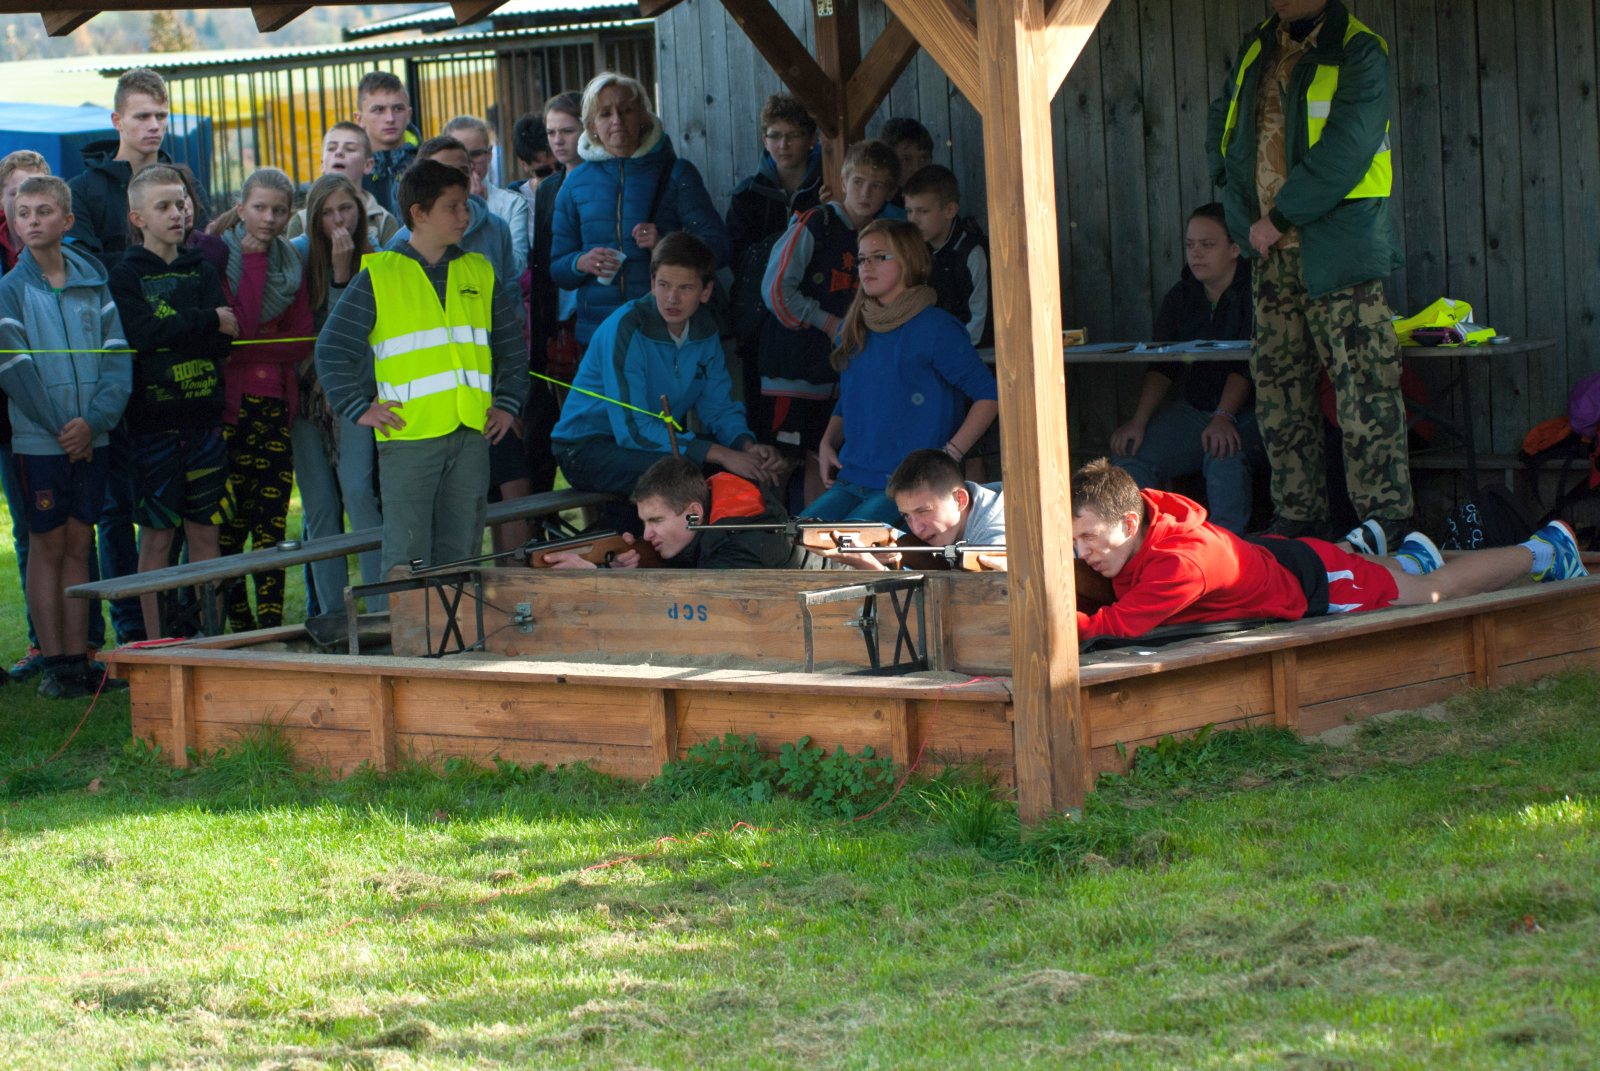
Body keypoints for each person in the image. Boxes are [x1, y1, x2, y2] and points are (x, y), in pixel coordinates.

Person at [1206, 0, 1409, 547]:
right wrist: (1231, 194)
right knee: (1278, 390)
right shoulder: (1259, 44)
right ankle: (1298, 519)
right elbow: (1223, 122)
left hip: (1338, 250)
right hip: (1269, 253)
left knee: (1363, 386)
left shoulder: (1358, 48)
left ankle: (1384, 524)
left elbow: (1348, 147)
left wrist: (1279, 218)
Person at [1070, 458, 1589, 641]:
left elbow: (1113, 628)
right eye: (1073, 540)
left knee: (1434, 592)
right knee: (1401, 576)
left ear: (1131, 522)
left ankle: (1545, 551)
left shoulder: (1181, 563)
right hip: (1282, 560)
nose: (1081, 551)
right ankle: (1407, 560)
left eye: (1088, 537)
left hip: (1315, 583)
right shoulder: (1147, 515)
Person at [315, 158, 529, 579]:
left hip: (471, 434)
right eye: (453, 206)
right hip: (408, 438)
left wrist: (507, 403)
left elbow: (512, 348)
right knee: (407, 555)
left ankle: (457, 623)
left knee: (461, 551)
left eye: (466, 205)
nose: (465, 215)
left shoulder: (479, 270)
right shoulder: (379, 275)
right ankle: (410, 624)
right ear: (419, 213)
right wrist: (358, 408)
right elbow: (331, 348)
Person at [0, 175, 132, 698]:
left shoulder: (94, 283)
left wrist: (93, 423)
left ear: (68, 220)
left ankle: (81, 661)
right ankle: (55, 664)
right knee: (47, 544)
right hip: (41, 442)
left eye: (44, 211)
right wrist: (62, 428)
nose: (32, 221)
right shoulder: (10, 291)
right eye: (23, 213)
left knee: (81, 540)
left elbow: (117, 359)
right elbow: (15, 369)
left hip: (92, 438)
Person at [552, 231, 782, 512]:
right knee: (681, 477)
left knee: (748, 472)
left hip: (647, 445)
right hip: (585, 448)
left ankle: (749, 539)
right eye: (664, 285)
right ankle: (664, 541)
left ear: (706, 291)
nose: (672, 298)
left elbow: (719, 408)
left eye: (685, 287)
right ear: (652, 283)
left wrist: (745, 446)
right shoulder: (626, 328)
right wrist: (722, 454)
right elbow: (633, 430)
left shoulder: (705, 333)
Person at [69, 68, 177, 648]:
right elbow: (89, 274)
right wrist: (144, 268)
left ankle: (174, 620)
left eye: (160, 115)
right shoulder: (86, 190)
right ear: (117, 120)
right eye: (142, 116)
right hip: (110, 365)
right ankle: (131, 629)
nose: (152, 125)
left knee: (171, 504)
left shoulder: (181, 178)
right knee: (115, 508)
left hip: (171, 366)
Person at [108, 165, 238, 639]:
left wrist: (192, 329)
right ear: (137, 217)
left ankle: (210, 640)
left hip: (204, 422)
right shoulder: (125, 275)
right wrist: (205, 319)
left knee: (206, 533)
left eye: (181, 203)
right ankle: (158, 642)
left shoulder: (202, 269)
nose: (177, 213)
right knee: (157, 537)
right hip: (151, 427)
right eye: (163, 206)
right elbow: (142, 334)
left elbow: (223, 340)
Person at [806, 219, 998, 524]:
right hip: (851, 479)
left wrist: (950, 455)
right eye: (862, 259)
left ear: (910, 260)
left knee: (849, 545)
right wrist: (827, 441)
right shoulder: (851, 327)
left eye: (879, 257)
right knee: (797, 538)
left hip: (910, 488)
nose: (867, 266)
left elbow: (989, 396)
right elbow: (853, 395)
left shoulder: (937, 328)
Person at [760, 139, 901, 503]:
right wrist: (827, 323)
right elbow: (776, 291)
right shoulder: (815, 222)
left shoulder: (880, 239)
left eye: (877, 185)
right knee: (778, 463)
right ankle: (765, 533)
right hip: (791, 373)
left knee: (820, 459)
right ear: (842, 181)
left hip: (835, 374)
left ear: (890, 192)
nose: (865, 193)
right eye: (858, 182)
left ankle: (812, 535)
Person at [1110, 202, 1261, 534]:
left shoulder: (1257, 294)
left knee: (1222, 452)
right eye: (1190, 245)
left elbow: (1245, 364)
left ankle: (1229, 550)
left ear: (1235, 248)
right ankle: (1139, 543)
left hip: (1252, 412)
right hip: (1194, 410)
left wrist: (1224, 416)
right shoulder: (1181, 296)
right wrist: (1139, 421)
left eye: (1208, 245)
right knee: (1131, 454)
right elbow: (1163, 364)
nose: (1196, 254)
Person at [550, 71, 729, 349]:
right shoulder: (574, 185)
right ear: (592, 126)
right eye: (605, 113)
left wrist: (664, 244)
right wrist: (581, 262)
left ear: (643, 116)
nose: (617, 120)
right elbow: (558, 268)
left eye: (626, 110)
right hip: (601, 337)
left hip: (666, 333)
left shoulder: (677, 173)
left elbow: (720, 248)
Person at [208, 167, 313, 632]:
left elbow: (301, 340)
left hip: (275, 409)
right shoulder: (219, 257)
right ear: (240, 208)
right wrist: (252, 263)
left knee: (272, 527)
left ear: (290, 214)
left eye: (279, 210)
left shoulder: (291, 262)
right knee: (231, 527)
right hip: (232, 413)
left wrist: (255, 343)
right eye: (259, 208)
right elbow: (238, 333)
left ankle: (272, 625)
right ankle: (242, 626)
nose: (269, 218)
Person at [290, 173, 386, 614]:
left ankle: (381, 609)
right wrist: (336, 276)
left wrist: (346, 276)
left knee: (359, 494)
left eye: (345, 209)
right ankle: (331, 615)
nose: (338, 221)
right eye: (327, 213)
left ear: (359, 211)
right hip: (306, 399)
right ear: (313, 219)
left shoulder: (375, 258)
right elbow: (317, 341)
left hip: (355, 396)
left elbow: (350, 342)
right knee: (320, 508)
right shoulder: (298, 254)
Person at [546, 455, 827, 571]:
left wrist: (598, 577)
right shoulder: (713, 525)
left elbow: (691, 604)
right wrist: (629, 566)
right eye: (645, 522)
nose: (647, 534)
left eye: (656, 520)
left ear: (694, 512)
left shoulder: (744, 542)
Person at [1, 150, 56, 678]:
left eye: (40, 192)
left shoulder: (63, 259)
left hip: (48, 413)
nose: (29, 203)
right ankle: (45, 645)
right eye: (18, 192)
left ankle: (66, 646)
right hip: (9, 410)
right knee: (29, 530)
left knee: (49, 529)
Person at [388, 136, 520, 301]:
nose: (456, 178)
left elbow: (510, 289)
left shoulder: (497, 228)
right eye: (443, 172)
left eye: (463, 171)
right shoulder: (402, 241)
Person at [829, 449, 1006, 571]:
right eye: (906, 516)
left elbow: (957, 607)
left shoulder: (997, 539)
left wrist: (870, 566)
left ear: (960, 500)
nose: (916, 528)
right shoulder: (964, 514)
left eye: (923, 511)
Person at [726, 94, 824, 270]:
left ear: (812, 139)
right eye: (775, 136)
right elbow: (738, 259)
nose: (783, 145)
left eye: (794, 135)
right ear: (765, 140)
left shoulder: (827, 188)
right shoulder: (746, 195)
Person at [901, 164, 990, 348]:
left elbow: (980, 320)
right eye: (909, 211)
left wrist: (947, 353)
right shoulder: (911, 251)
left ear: (950, 210)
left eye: (923, 211)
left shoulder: (972, 254)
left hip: (973, 355)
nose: (913, 220)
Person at [284, 122, 401, 248]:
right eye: (331, 148)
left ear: (368, 165)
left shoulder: (384, 221)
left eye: (350, 149)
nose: (339, 152)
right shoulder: (301, 221)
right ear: (322, 164)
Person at [443, 115, 530, 278]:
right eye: (459, 155)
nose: (468, 163)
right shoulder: (432, 206)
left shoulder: (512, 204)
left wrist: (477, 211)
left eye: (475, 154)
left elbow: (517, 267)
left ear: (489, 155)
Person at [354, 71, 419, 218]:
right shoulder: (351, 171)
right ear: (359, 119)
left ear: (408, 115)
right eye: (378, 110)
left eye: (398, 109)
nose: (390, 118)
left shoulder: (428, 164)